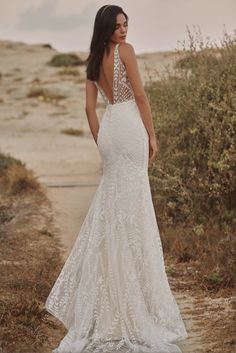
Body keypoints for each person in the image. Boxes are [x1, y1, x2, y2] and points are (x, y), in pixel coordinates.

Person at [44, 4, 188, 353]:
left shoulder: (93, 60)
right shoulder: (126, 52)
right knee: (134, 209)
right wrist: (152, 136)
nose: (124, 30)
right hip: (129, 128)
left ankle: (112, 301)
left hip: (110, 130)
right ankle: (133, 301)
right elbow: (140, 96)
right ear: (107, 27)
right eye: (118, 25)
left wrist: (100, 140)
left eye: (126, 25)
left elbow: (88, 108)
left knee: (113, 207)